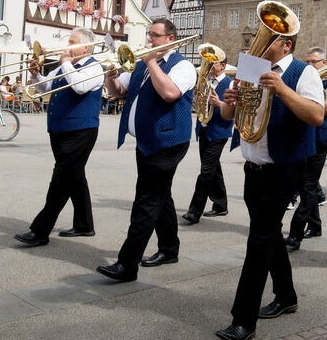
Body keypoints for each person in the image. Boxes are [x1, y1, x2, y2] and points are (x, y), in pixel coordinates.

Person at [214, 31, 324, 340]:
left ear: (287, 45)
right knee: (270, 233)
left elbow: (316, 115)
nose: (259, 45)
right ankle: (286, 295)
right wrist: (230, 103)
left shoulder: (304, 72)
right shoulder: (251, 68)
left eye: (269, 39)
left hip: (285, 167)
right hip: (254, 167)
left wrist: (283, 90)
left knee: (259, 240)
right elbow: (227, 116)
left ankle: (242, 321)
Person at [96, 20, 194, 283]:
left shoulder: (183, 66)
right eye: (149, 34)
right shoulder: (141, 64)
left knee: (146, 201)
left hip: (167, 141)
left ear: (170, 38)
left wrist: (151, 62)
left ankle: (127, 264)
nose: (149, 39)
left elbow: (170, 93)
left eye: (155, 35)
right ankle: (169, 249)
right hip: (147, 141)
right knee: (161, 196)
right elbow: (118, 92)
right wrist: (111, 76)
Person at [14, 27, 104, 246]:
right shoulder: (67, 66)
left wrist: (64, 62)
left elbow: (80, 87)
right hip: (60, 130)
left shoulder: (94, 68)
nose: (67, 46)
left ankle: (40, 230)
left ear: (87, 47)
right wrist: (36, 74)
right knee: (75, 177)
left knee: (60, 181)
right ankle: (84, 224)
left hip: (80, 131)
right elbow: (47, 86)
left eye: (72, 42)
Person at [287, 47, 327, 250]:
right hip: (306, 136)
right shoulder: (309, 79)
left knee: (308, 185)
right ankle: (316, 226)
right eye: (307, 62)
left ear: (324, 62)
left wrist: (310, 95)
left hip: (320, 137)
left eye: (314, 62)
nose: (310, 65)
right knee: (305, 184)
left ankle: (295, 234)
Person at [182, 57, 233, 224]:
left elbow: (233, 109)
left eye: (213, 64)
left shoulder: (230, 83)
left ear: (223, 66)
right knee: (213, 169)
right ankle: (221, 205)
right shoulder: (206, 81)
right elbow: (199, 104)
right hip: (204, 129)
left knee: (206, 171)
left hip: (219, 132)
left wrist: (218, 103)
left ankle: (194, 211)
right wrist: (197, 101)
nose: (209, 66)